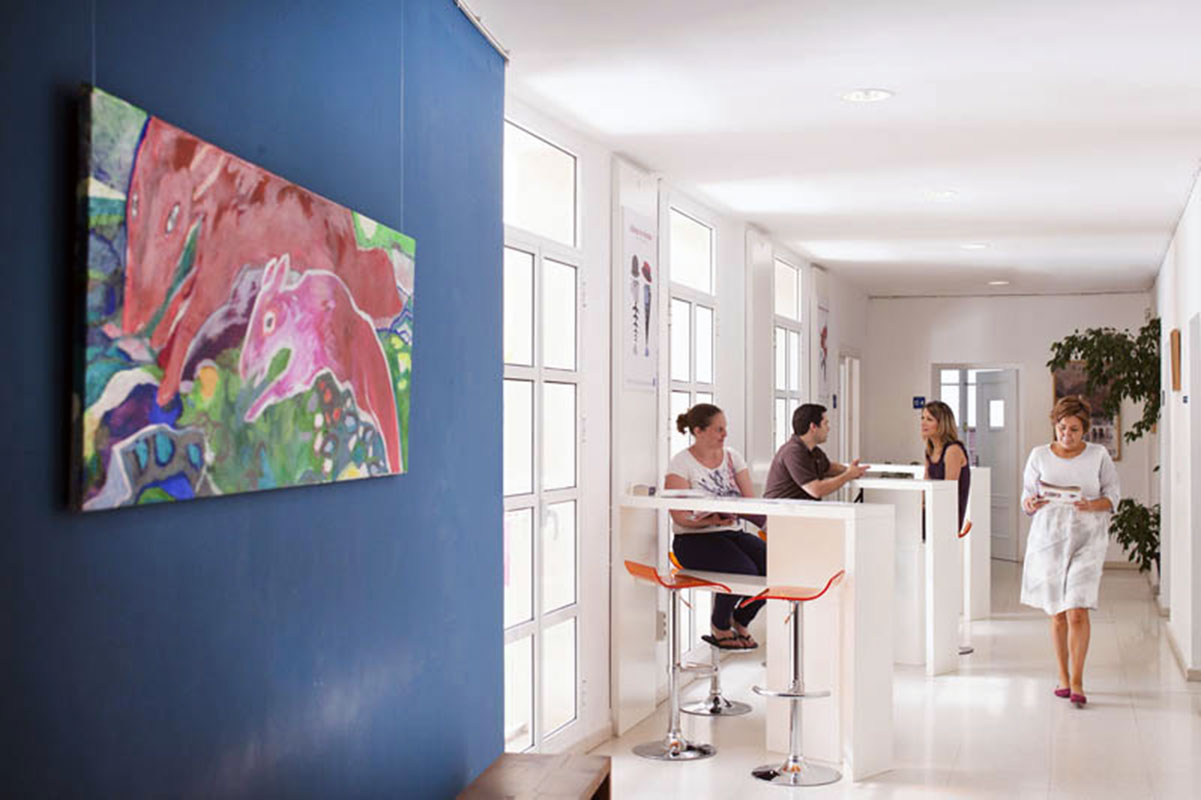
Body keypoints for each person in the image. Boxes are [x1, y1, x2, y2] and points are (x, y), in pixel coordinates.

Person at [1020, 396, 1120, 708]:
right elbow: (1027, 497)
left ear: (1085, 429)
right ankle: (1062, 677)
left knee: (1077, 610)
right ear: (1055, 424)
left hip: (1088, 538)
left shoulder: (1098, 455)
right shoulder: (1039, 455)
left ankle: (1077, 681)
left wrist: (1092, 504)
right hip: (1049, 538)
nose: (1067, 434)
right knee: (1058, 614)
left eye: (1074, 429)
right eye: (1062, 427)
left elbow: (1113, 496)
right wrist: (1031, 502)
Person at [665, 403, 765, 650]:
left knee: (775, 566)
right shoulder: (681, 463)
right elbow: (679, 517)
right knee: (744, 570)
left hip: (731, 533)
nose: (725, 434)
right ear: (698, 431)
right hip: (693, 540)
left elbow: (749, 503)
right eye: (719, 429)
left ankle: (741, 619)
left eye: (725, 428)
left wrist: (769, 524)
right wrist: (711, 520)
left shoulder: (733, 457)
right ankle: (720, 625)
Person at [764, 403, 867, 500]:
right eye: (825, 423)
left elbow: (828, 468)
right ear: (813, 427)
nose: (828, 428)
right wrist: (847, 475)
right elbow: (816, 490)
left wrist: (851, 470)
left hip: (800, 508)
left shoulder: (814, 451)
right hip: (780, 510)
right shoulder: (793, 452)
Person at [921, 400, 971, 530]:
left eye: (929, 419)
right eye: (922, 418)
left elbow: (948, 492)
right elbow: (925, 483)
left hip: (948, 514)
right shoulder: (930, 450)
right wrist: (920, 505)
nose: (923, 423)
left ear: (942, 424)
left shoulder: (953, 450)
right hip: (934, 509)